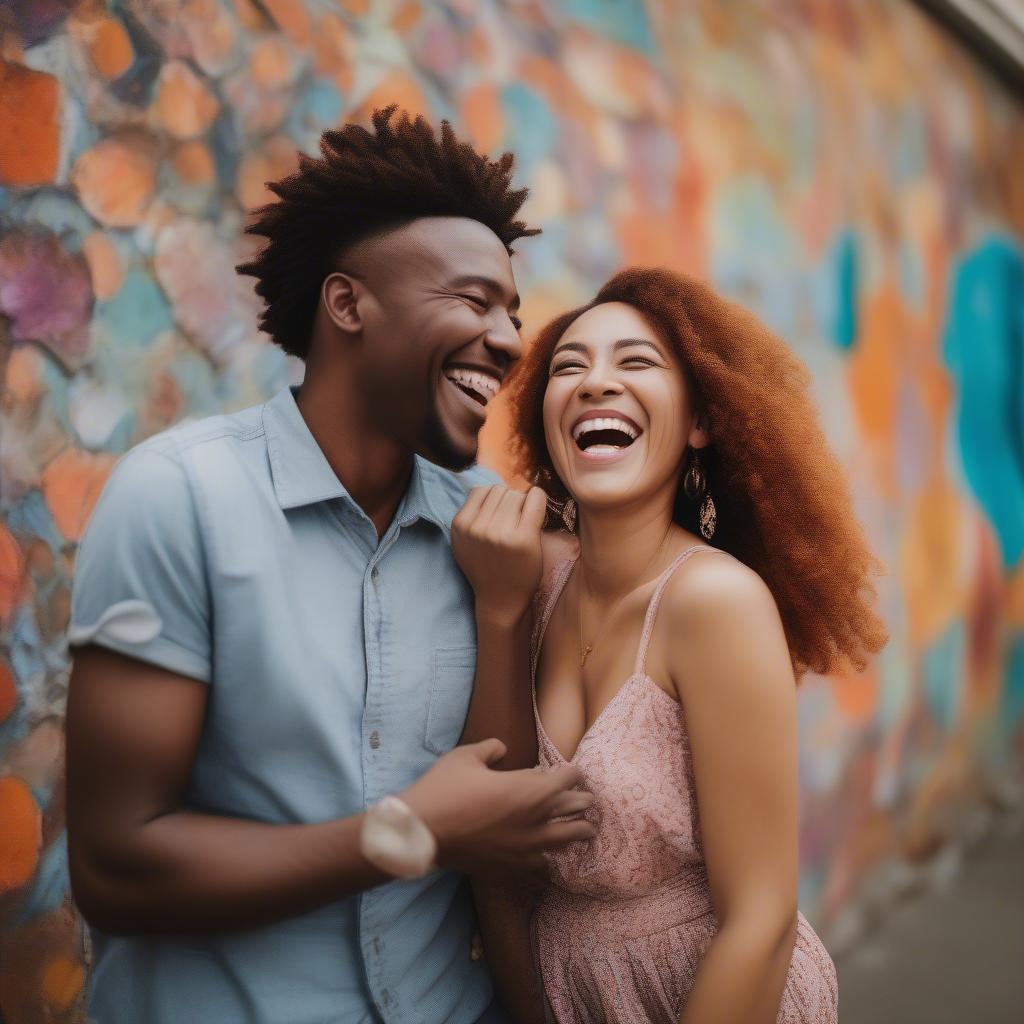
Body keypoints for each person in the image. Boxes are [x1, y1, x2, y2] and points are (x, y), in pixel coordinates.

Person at [64, 107, 593, 1024]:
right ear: (348, 304)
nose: (510, 341)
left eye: (512, 310)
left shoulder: (487, 532)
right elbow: (116, 868)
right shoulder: (179, 497)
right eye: (474, 301)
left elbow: (499, 817)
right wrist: (408, 834)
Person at [453, 267, 888, 1023]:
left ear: (699, 422)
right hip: (561, 995)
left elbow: (761, 919)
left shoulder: (714, 603)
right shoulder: (533, 571)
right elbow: (496, 831)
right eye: (568, 367)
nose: (595, 383)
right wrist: (499, 612)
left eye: (635, 362)